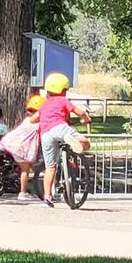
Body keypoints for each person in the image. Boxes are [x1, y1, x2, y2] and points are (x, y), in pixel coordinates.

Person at [37, 73, 92, 207]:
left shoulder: (44, 105)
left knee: (50, 167)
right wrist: (85, 119)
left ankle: (47, 196)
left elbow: (36, 118)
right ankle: (76, 143)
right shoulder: (62, 100)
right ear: (64, 90)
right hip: (59, 128)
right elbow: (79, 112)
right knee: (85, 142)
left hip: (45, 134)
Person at [0, 94, 44, 200]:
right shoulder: (38, 124)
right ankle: (22, 192)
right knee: (25, 170)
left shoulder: (27, 120)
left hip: (9, 142)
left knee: (16, 165)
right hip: (20, 148)